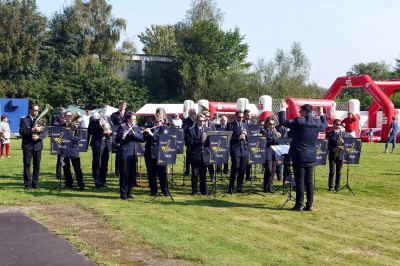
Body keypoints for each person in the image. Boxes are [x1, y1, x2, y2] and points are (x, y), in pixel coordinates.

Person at [279, 101, 327, 211]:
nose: (299, 113)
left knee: (300, 182)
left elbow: (283, 121)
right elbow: (324, 125)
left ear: (304, 112)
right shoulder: (317, 123)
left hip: (299, 155)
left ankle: (299, 205)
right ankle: (309, 205)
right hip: (311, 156)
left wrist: (283, 109)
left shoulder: (299, 121)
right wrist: (322, 114)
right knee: (309, 182)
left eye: (300, 112)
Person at [19, 103, 48, 190]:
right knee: (27, 165)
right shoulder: (24, 119)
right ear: (30, 110)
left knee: (37, 166)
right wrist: (32, 130)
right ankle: (27, 185)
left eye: (38, 110)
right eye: (35, 110)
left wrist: (39, 137)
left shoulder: (41, 119)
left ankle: (35, 184)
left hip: (38, 145)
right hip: (27, 146)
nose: (37, 112)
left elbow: (46, 131)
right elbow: (22, 132)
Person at [115, 111, 143, 199]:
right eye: (133, 119)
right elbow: (117, 140)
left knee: (132, 174)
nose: (135, 121)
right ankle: (123, 193)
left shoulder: (136, 127)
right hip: (125, 153)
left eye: (135, 119)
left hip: (133, 154)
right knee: (124, 174)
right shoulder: (122, 127)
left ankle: (129, 192)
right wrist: (123, 136)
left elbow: (141, 138)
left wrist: (134, 134)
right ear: (128, 119)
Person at [143, 113, 170, 196]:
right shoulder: (149, 127)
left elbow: (163, 137)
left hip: (160, 153)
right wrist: (147, 132)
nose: (158, 123)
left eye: (159, 121)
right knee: (151, 173)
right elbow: (144, 137)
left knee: (162, 173)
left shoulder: (165, 128)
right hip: (150, 153)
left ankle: (165, 190)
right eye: (156, 122)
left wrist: (152, 134)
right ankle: (153, 190)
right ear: (153, 121)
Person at [88, 103, 112, 189]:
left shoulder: (108, 118)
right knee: (97, 163)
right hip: (98, 142)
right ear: (98, 109)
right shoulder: (93, 118)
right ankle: (97, 182)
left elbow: (112, 128)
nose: (103, 111)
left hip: (106, 143)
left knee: (105, 163)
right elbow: (90, 131)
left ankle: (103, 182)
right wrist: (98, 126)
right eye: (101, 109)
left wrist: (109, 131)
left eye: (104, 109)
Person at [227, 110, 249, 194]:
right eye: (239, 117)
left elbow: (249, 138)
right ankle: (231, 187)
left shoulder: (245, 125)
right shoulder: (231, 125)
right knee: (235, 167)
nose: (240, 118)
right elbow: (229, 138)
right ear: (236, 116)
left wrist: (246, 135)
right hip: (235, 149)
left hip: (244, 149)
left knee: (242, 169)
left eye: (242, 117)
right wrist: (238, 138)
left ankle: (239, 187)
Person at [62, 111, 85, 190]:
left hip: (73, 148)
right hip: (64, 149)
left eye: (71, 115)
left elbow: (79, 137)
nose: (69, 117)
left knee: (77, 167)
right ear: (64, 117)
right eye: (67, 116)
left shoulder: (76, 126)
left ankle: (81, 184)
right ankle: (68, 184)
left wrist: (69, 140)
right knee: (66, 167)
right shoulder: (60, 126)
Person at [187, 114, 210, 195]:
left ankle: (203, 191)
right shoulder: (192, 130)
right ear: (196, 121)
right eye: (200, 121)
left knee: (203, 174)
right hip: (196, 154)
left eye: (203, 121)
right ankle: (194, 190)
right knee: (195, 174)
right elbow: (189, 142)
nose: (201, 122)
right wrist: (200, 142)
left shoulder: (207, 130)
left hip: (205, 154)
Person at [261, 117, 279, 193]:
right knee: (268, 170)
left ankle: (270, 187)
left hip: (274, 153)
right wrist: (275, 140)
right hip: (267, 152)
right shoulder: (263, 131)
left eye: (273, 124)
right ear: (267, 124)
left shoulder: (275, 131)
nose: (272, 126)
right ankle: (265, 186)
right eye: (270, 124)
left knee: (273, 170)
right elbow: (266, 140)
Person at [326, 119, 345, 192]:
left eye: (340, 124)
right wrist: (332, 149)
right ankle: (330, 186)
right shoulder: (329, 133)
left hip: (340, 154)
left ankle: (337, 186)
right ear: (333, 124)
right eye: (337, 124)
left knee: (339, 172)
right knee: (332, 171)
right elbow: (326, 144)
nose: (338, 126)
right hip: (332, 154)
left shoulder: (342, 134)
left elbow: (345, 145)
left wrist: (342, 144)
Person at [111, 100, 127, 178]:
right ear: (119, 106)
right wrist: (120, 115)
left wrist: (124, 114)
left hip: (126, 134)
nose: (122, 107)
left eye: (124, 106)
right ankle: (117, 172)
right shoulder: (114, 114)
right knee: (118, 154)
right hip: (118, 134)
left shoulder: (128, 113)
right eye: (121, 106)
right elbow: (114, 122)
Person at [182, 108, 196, 176]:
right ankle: (187, 171)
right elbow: (183, 129)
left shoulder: (197, 120)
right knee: (189, 156)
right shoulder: (185, 120)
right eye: (192, 113)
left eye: (194, 113)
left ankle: (196, 170)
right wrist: (189, 128)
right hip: (189, 140)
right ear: (189, 113)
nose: (193, 114)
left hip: (196, 140)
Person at [243, 109, 255, 181]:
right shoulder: (243, 122)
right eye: (247, 115)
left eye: (250, 115)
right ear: (244, 115)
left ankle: (248, 176)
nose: (249, 116)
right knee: (245, 160)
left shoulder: (253, 122)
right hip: (245, 142)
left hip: (252, 142)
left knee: (250, 160)